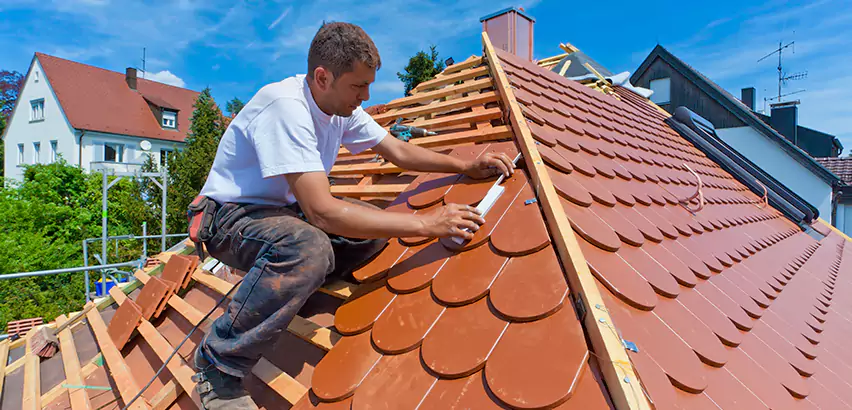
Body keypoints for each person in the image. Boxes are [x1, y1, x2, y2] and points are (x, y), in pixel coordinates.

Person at [189, 22, 513, 409]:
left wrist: (465, 165)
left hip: (279, 211)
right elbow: (322, 213)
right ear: (323, 77)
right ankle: (219, 364)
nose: (366, 96)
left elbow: (399, 151)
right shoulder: (285, 108)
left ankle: (291, 292)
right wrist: (428, 223)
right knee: (309, 248)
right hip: (230, 218)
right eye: (358, 86)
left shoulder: (339, 107)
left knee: (371, 227)